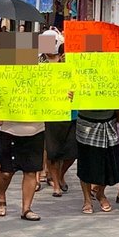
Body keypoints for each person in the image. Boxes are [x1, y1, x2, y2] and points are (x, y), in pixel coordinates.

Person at [0, 107, 46, 221]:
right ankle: (1, 196)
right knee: (6, 172)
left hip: (36, 130)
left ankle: (26, 209)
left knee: (31, 171)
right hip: (8, 129)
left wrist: (65, 98)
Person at [40, 31, 76, 197]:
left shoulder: (79, 72)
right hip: (52, 114)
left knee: (73, 151)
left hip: (73, 115)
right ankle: (55, 182)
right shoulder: (47, 69)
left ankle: (60, 174)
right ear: (61, 55)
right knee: (53, 151)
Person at [76, 109, 119, 214]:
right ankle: (87, 199)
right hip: (86, 121)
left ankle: (100, 193)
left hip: (109, 121)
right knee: (86, 162)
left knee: (109, 161)